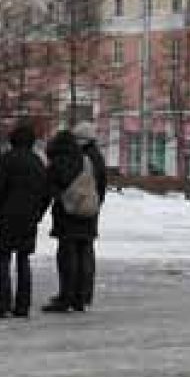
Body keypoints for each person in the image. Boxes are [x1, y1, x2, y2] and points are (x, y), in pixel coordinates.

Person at [0, 121, 50, 318]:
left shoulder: (6, 160)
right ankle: (23, 305)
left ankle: (3, 304)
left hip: (5, 216)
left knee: (4, 259)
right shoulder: (38, 163)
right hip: (28, 217)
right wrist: (38, 213)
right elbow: (46, 193)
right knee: (23, 259)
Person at [43, 129, 98, 313]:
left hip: (67, 216)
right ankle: (80, 298)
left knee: (67, 257)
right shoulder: (86, 160)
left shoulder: (57, 163)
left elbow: (48, 189)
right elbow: (98, 185)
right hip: (87, 213)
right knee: (84, 257)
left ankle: (65, 296)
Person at [71, 121, 107, 307]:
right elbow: (102, 187)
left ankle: (78, 293)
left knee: (79, 252)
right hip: (92, 209)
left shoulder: (85, 158)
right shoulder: (97, 157)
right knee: (86, 250)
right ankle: (85, 293)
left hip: (82, 208)